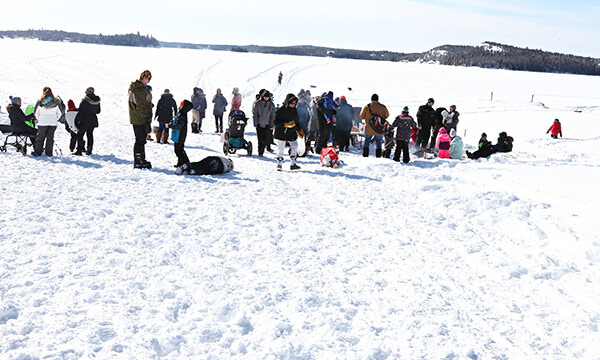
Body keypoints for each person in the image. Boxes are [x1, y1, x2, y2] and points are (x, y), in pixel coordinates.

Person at [128, 70, 153, 168]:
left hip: (137, 118)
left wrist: (149, 105)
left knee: (141, 139)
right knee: (140, 140)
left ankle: (141, 159)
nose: (148, 82)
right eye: (148, 79)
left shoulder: (137, 88)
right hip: (139, 119)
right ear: (145, 78)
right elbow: (141, 105)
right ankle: (139, 161)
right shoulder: (139, 90)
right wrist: (145, 120)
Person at [274, 93, 304, 171]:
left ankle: (293, 163)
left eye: (295, 103)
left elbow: (297, 121)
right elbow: (275, 122)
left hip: (291, 132)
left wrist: (299, 130)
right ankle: (279, 164)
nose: (293, 105)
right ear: (288, 102)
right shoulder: (281, 110)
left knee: (295, 147)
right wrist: (285, 124)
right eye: (292, 103)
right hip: (281, 132)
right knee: (281, 149)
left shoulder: (294, 110)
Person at [33, 87, 65, 157]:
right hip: (53, 123)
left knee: (40, 138)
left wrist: (39, 119)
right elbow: (60, 113)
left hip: (42, 123)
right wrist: (55, 119)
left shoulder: (40, 102)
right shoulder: (56, 102)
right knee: (50, 138)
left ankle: (38, 152)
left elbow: (35, 113)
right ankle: (49, 153)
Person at [73, 87, 101, 155]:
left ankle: (79, 150)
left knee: (80, 134)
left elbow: (81, 111)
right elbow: (98, 111)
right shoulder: (97, 100)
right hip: (93, 120)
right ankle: (89, 149)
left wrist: (77, 120)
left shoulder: (85, 100)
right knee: (90, 134)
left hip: (84, 120)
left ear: (87, 92)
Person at [252, 89, 276, 156]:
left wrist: (272, 124)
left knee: (266, 139)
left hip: (267, 124)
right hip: (259, 124)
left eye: (267, 97)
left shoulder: (271, 104)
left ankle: (265, 147)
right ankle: (260, 152)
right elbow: (255, 113)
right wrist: (255, 123)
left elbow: (273, 115)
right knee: (260, 139)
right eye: (265, 97)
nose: (266, 98)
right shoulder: (257, 103)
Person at [172, 100, 194, 168]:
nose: (180, 106)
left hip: (180, 135)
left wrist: (170, 126)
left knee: (178, 150)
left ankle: (184, 163)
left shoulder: (182, 115)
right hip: (180, 134)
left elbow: (179, 126)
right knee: (179, 149)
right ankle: (182, 162)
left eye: (181, 105)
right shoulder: (181, 113)